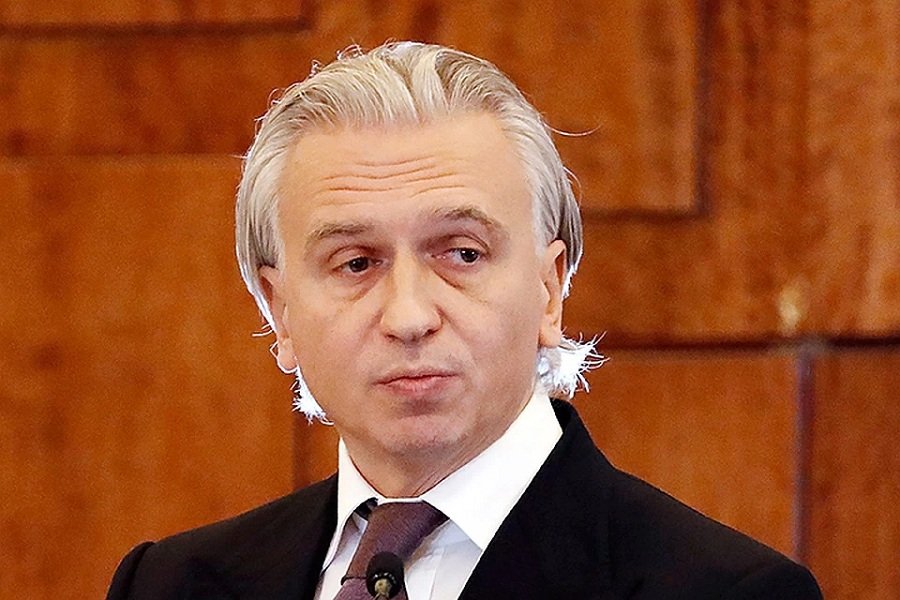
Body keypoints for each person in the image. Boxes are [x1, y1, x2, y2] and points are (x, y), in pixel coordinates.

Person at [107, 42, 822, 599]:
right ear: (280, 311)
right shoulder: (167, 585)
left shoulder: (725, 591)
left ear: (549, 289)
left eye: (462, 254)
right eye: (356, 263)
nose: (409, 316)